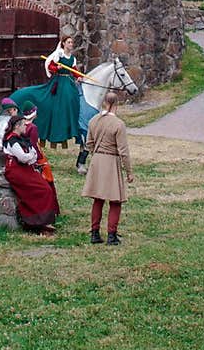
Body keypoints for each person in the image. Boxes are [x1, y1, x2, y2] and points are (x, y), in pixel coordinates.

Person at [10, 33, 85, 152]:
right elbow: (49, 66)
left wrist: (79, 77)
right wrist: (57, 68)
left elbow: (74, 71)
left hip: (68, 81)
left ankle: (71, 125)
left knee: (73, 98)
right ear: (64, 43)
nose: (71, 44)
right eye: (69, 42)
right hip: (59, 81)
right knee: (57, 100)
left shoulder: (72, 58)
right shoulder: (58, 55)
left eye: (72, 43)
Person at [82, 91, 133, 245]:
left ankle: (95, 233)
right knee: (115, 200)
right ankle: (111, 235)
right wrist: (129, 171)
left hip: (97, 160)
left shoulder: (93, 121)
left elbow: (89, 143)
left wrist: (95, 155)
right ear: (116, 104)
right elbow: (123, 151)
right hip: (111, 162)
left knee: (98, 199)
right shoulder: (118, 124)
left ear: (104, 102)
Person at [2, 114, 57, 236]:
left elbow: (33, 155)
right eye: (23, 125)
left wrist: (30, 157)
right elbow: (23, 158)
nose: (26, 127)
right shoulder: (12, 140)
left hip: (25, 169)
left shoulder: (22, 139)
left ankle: (43, 222)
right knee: (39, 189)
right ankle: (36, 222)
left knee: (46, 188)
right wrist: (30, 157)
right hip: (16, 171)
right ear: (17, 126)